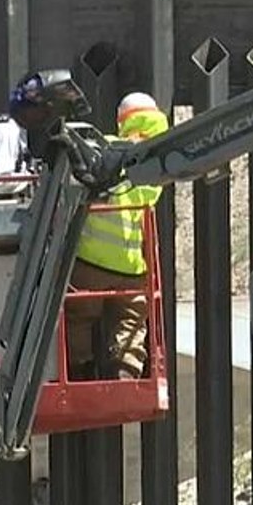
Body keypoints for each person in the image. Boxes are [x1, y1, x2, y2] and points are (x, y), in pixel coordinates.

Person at [65, 91, 169, 380]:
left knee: (78, 318)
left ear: (122, 120)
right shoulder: (160, 160)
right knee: (131, 320)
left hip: (89, 262)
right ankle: (126, 373)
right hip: (131, 266)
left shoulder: (104, 148)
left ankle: (79, 372)